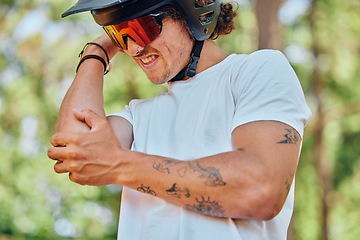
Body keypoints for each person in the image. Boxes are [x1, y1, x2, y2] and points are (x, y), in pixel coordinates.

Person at [47, 0, 312, 239]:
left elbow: (261, 189)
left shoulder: (256, 71)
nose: (134, 48)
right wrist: (96, 52)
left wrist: (118, 164)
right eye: (120, 35)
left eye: (142, 27)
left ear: (192, 12)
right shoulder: (139, 115)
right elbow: (73, 151)